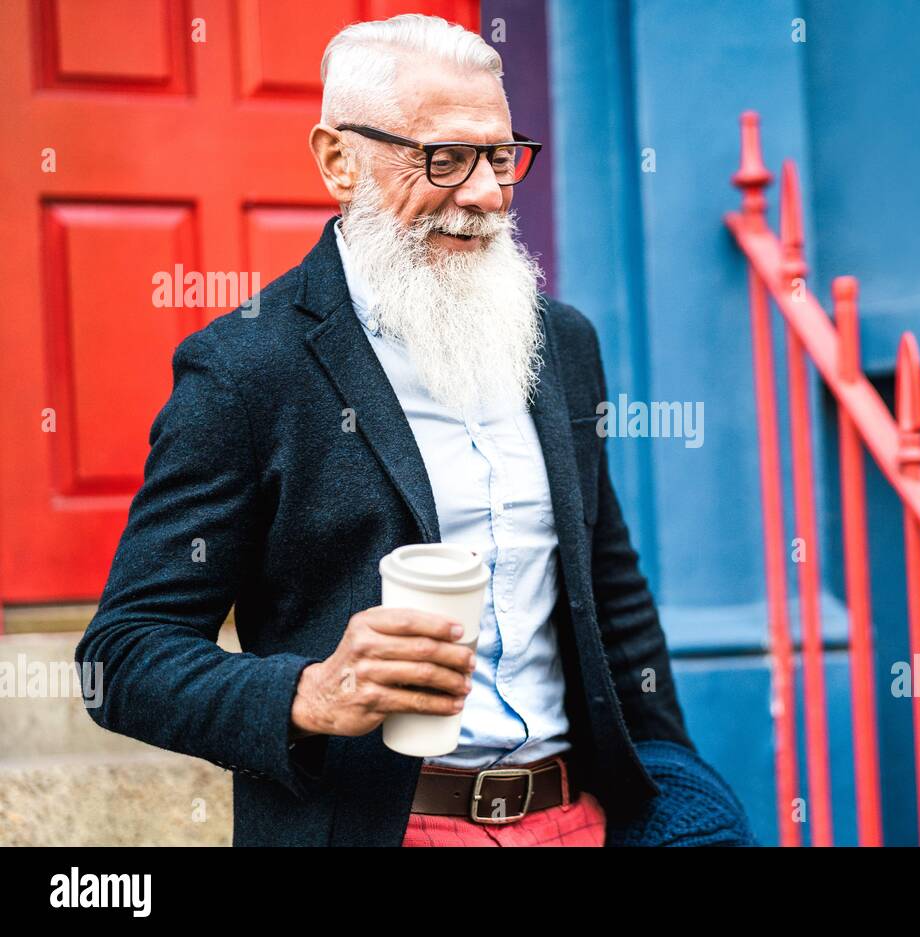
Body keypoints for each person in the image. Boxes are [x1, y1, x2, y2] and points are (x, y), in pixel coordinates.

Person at [75, 13, 754, 847]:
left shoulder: (562, 341)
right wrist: (309, 692)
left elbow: (609, 587)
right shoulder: (245, 371)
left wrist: (672, 783)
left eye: (500, 158)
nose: (482, 194)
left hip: (580, 820)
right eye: (442, 158)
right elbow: (122, 657)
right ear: (338, 161)